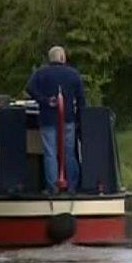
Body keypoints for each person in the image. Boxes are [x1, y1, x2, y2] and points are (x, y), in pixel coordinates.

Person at [26, 46, 88, 193]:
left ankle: (52, 187)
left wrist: (44, 100)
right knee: (69, 152)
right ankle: (73, 186)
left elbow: (30, 88)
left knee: (50, 153)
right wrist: (80, 118)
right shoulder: (73, 74)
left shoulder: (40, 73)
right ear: (62, 58)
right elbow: (81, 99)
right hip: (68, 119)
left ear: (50, 58)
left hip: (47, 119)